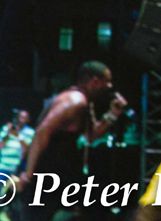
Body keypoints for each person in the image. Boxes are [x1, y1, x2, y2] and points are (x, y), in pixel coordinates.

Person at [20, 61, 127, 221]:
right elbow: (42, 132)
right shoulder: (74, 101)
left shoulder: (84, 102)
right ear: (95, 82)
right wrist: (28, 174)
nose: (109, 86)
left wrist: (112, 114)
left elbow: (91, 136)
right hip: (46, 177)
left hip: (57, 178)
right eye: (107, 81)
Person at [0, 110, 35, 177]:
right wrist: (8, 133)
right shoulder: (6, 128)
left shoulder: (30, 132)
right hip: (3, 166)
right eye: (20, 117)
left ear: (28, 120)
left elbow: (27, 150)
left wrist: (18, 136)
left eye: (24, 117)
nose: (21, 119)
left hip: (18, 168)